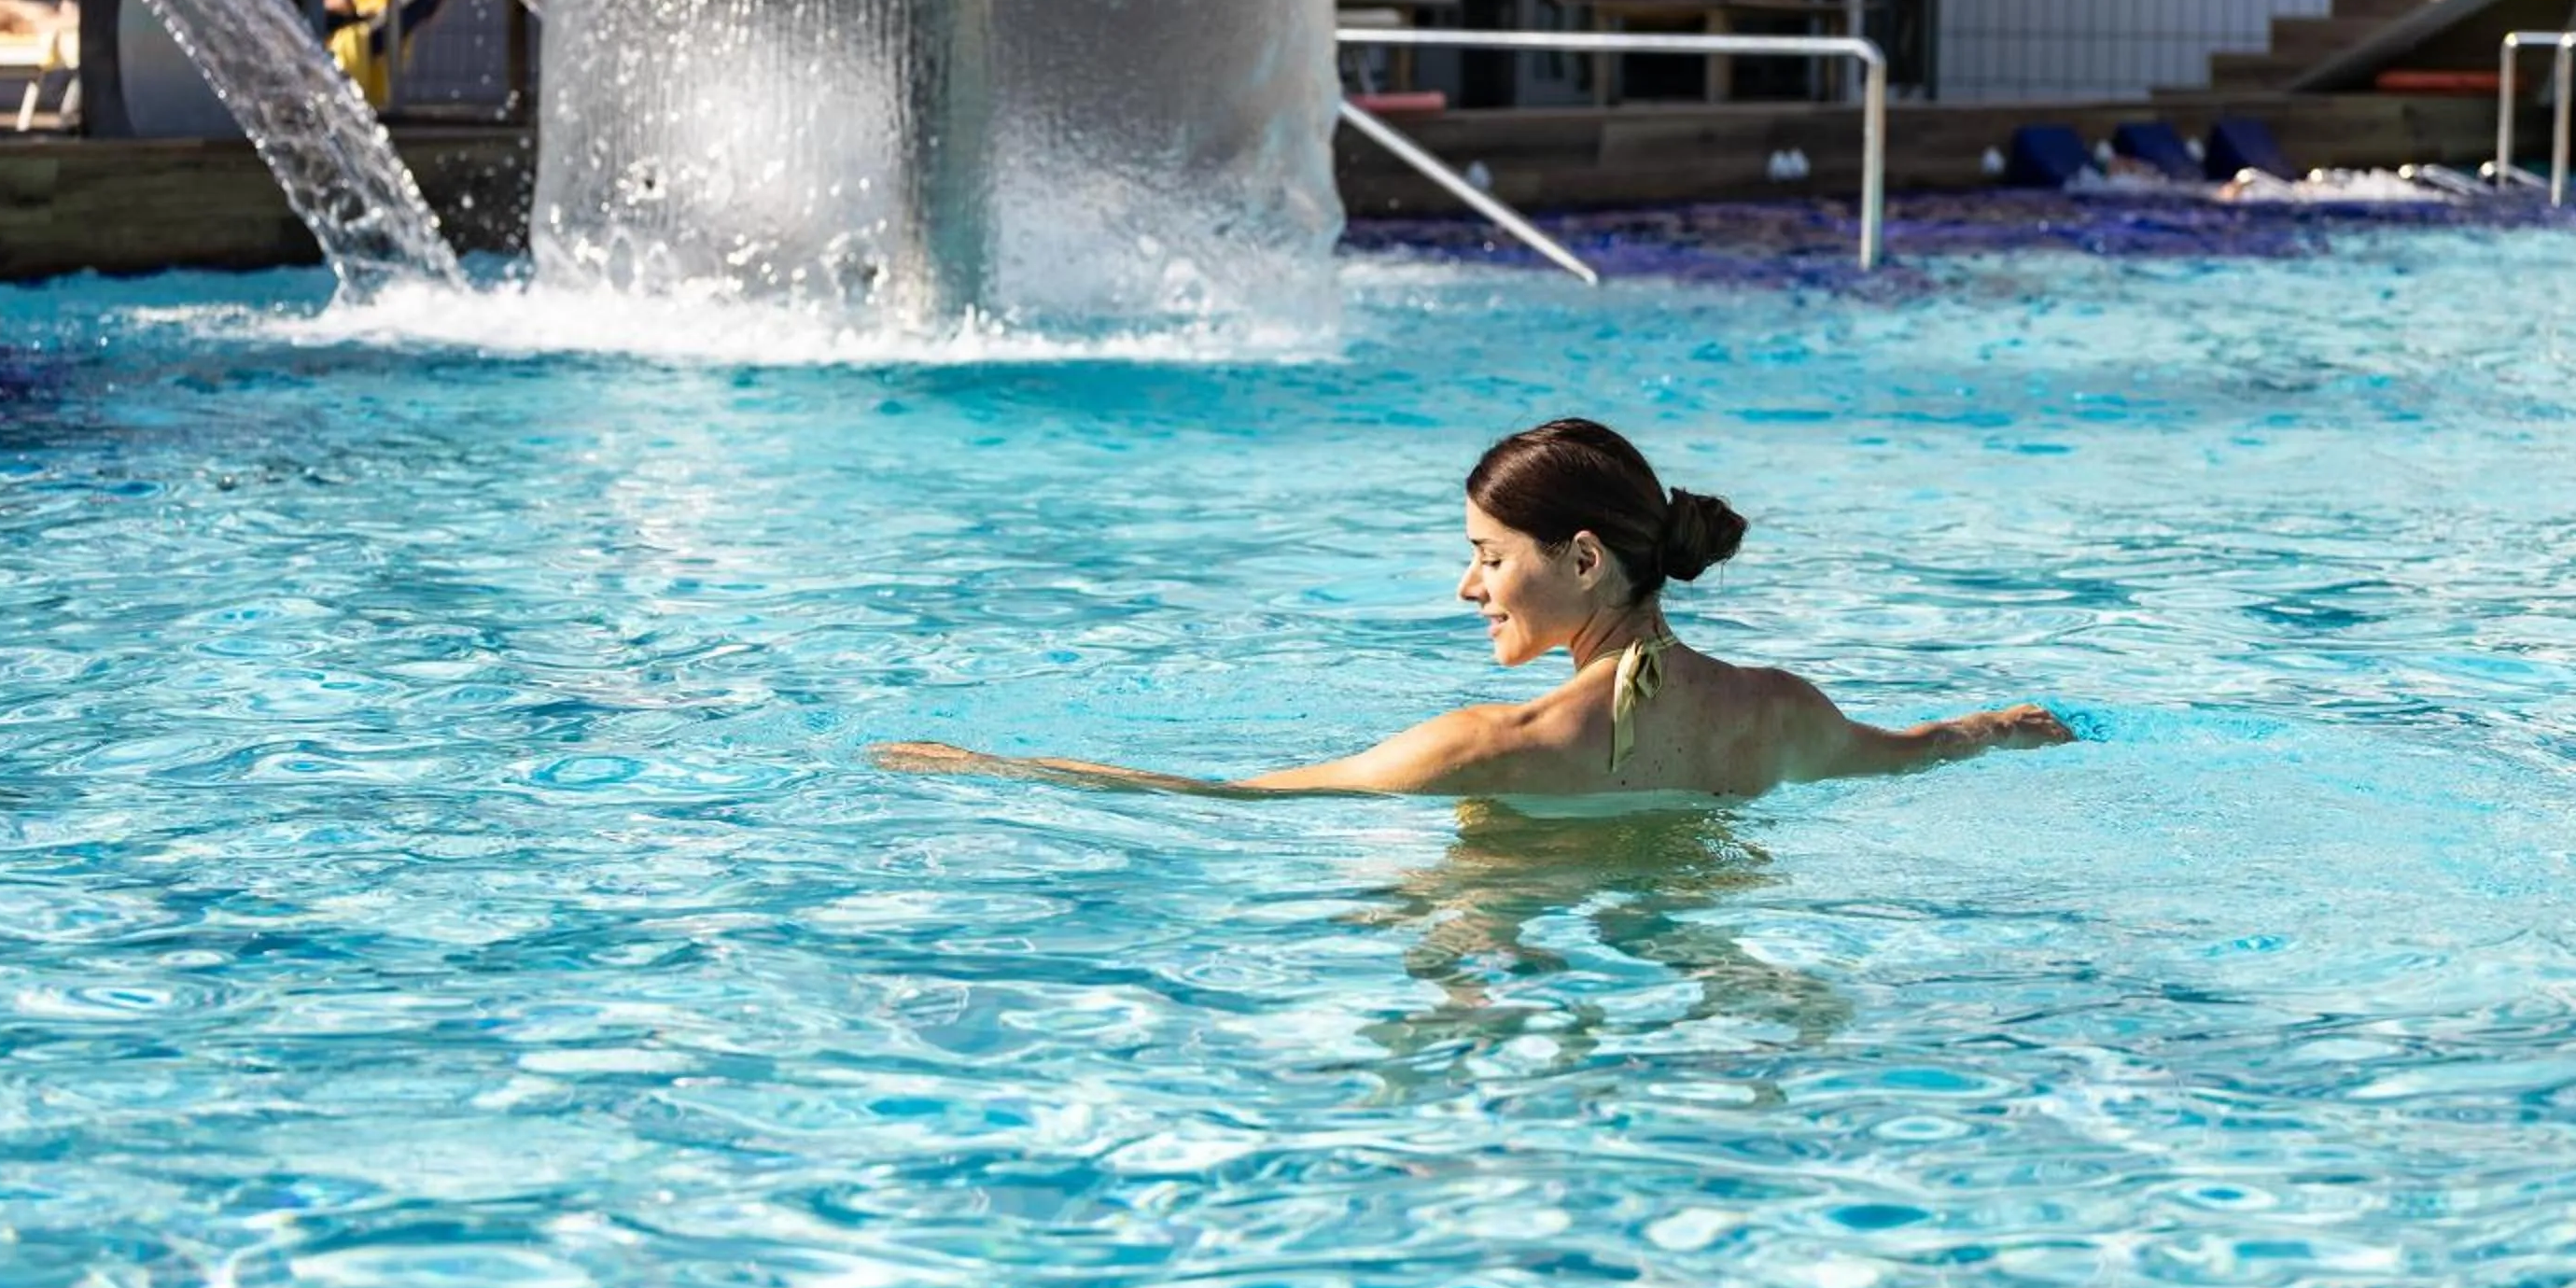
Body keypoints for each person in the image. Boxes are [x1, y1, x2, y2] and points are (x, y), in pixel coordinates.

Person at [871, 419, 2074, 798]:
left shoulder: (1489, 747)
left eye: (1489, 558)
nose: (1467, 586)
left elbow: (1227, 800)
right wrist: (1996, 727)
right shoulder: (1781, 711)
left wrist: (991, 767)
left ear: (1585, 560)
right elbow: (1912, 753)